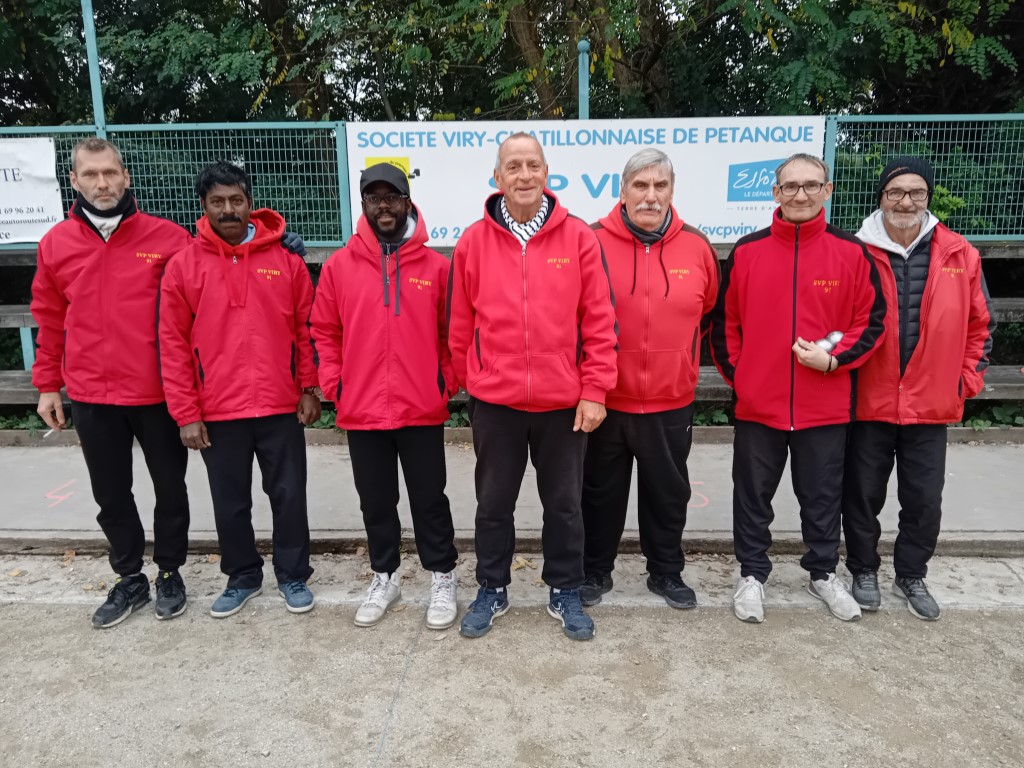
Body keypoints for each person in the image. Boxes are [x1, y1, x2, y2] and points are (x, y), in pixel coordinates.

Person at [447, 132, 618, 641]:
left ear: (547, 174)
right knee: (493, 504)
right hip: (495, 402)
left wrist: (594, 390)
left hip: (563, 403)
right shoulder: (473, 243)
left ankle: (565, 588)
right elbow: (459, 327)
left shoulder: (579, 239)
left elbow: (600, 322)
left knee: (564, 504)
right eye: (513, 166)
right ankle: (492, 588)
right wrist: (473, 384)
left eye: (533, 166)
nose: (524, 175)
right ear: (497, 178)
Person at [708, 153, 886, 624]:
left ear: (827, 191)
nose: (801, 194)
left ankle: (823, 572)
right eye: (790, 186)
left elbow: (870, 323)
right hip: (758, 407)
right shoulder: (747, 252)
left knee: (823, 495)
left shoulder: (852, 253)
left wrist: (833, 359)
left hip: (824, 406)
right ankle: (751, 575)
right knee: (752, 496)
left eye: (811, 185)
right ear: (775, 194)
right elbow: (726, 327)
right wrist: (744, 379)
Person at [31, 138, 193, 628]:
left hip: (156, 392)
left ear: (125, 177)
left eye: (110, 173)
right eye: (91, 175)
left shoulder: (168, 238)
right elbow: (50, 319)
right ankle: (129, 578)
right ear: (74, 181)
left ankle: (169, 571)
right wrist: (47, 385)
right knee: (111, 494)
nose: (102, 184)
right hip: (90, 396)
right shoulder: (56, 244)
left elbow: (192, 314)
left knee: (171, 488)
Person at [159, 161, 319, 618]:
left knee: (289, 495)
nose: (228, 210)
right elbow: (172, 343)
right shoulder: (183, 267)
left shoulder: (285, 261)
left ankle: (293, 575)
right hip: (218, 408)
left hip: (279, 403)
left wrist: (310, 386)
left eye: (236, 201)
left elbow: (306, 329)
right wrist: (185, 412)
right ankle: (242, 576)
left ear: (250, 203)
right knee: (230, 503)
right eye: (218, 202)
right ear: (203, 207)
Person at [842, 157, 995, 621]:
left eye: (916, 193)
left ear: (928, 197)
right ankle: (863, 569)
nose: (905, 201)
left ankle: (911, 573)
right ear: (881, 197)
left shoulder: (959, 253)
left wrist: (964, 380)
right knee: (863, 494)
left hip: (931, 402)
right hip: (869, 399)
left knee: (924, 499)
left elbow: (980, 326)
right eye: (895, 192)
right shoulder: (856, 250)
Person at [310, 163, 459, 630]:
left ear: (407, 201)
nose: (384, 206)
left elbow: (451, 333)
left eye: (391, 197)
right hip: (362, 408)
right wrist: (335, 384)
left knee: (429, 498)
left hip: (421, 407)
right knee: (375, 501)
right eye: (374, 198)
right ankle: (386, 576)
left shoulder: (436, 267)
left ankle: (442, 576)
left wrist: (445, 382)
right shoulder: (339, 266)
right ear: (364, 205)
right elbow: (324, 331)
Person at [580, 149, 719, 609]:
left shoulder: (697, 247)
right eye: (640, 186)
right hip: (606, 401)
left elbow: (707, 313)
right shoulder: (590, 241)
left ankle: (666, 572)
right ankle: (595, 571)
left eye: (660, 186)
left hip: (670, 400)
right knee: (599, 495)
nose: (651, 196)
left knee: (668, 495)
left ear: (672, 191)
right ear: (622, 192)